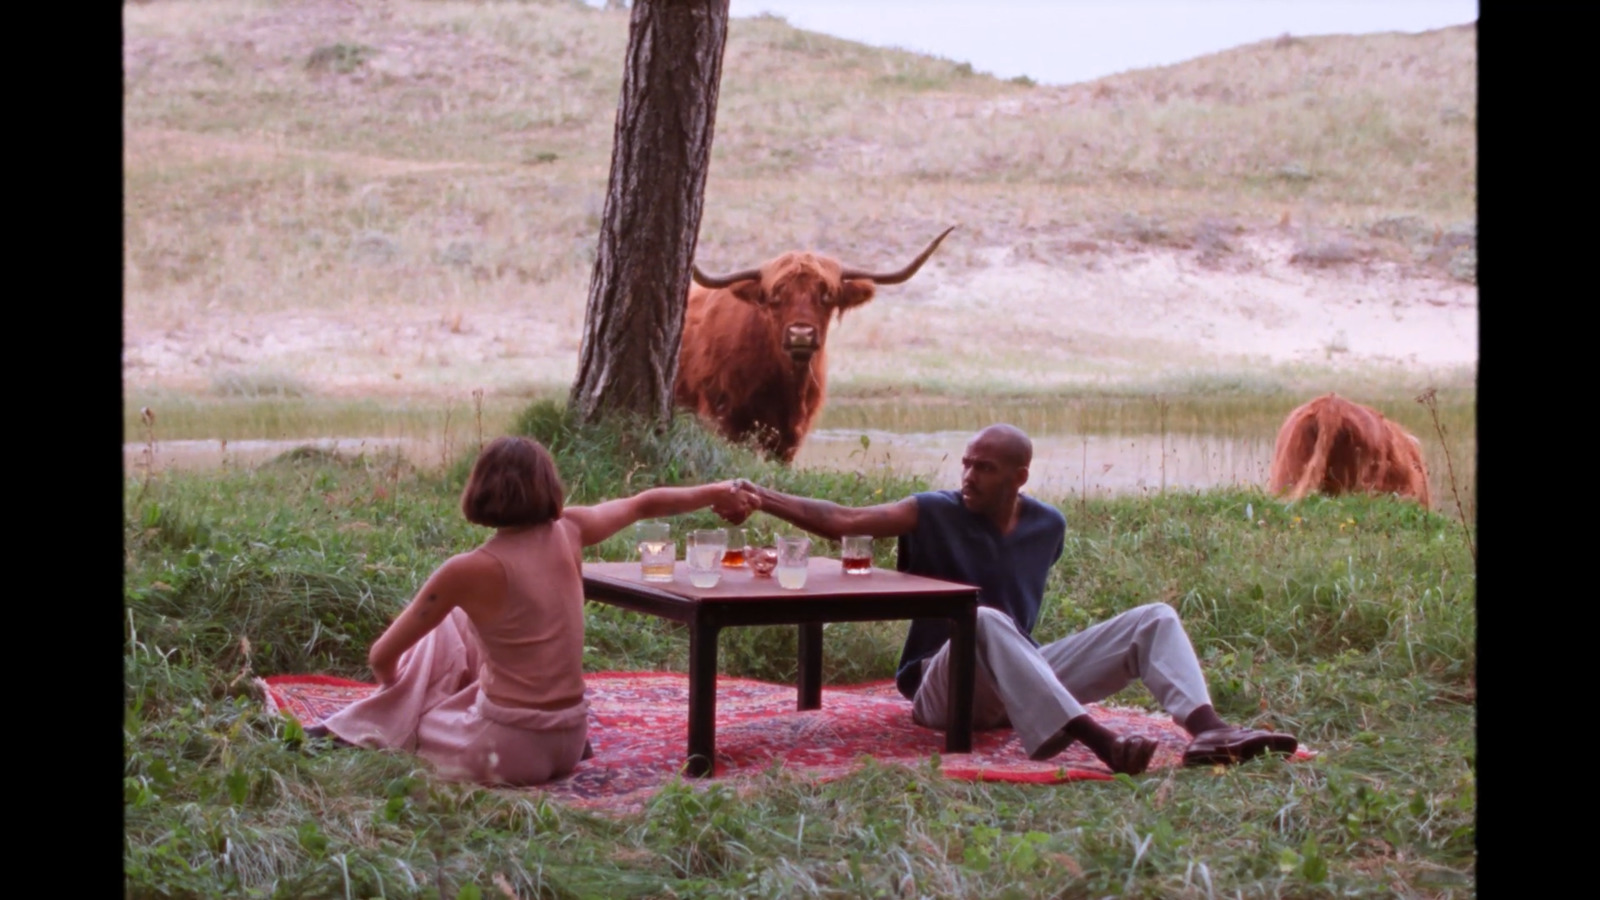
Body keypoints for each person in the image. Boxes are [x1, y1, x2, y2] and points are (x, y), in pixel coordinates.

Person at [732, 424, 1297, 775]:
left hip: (1020, 675)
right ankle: (1099, 741)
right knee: (980, 616)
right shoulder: (933, 509)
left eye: (985, 467)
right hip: (944, 688)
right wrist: (762, 497)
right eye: (966, 463)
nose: (968, 475)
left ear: (1018, 477)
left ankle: (1211, 731)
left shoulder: (1049, 525)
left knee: (1154, 617)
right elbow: (845, 520)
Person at [308, 435, 756, 786]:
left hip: (506, 751)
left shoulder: (465, 570)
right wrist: (716, 491)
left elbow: (380, 657)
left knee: (418, 719)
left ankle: (366, 722)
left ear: (479, 489)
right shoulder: (571, 530)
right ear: (549, 486)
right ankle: (421, 706)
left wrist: (399, 688)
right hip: (570, 738)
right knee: (457, 623)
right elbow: (642, 504)